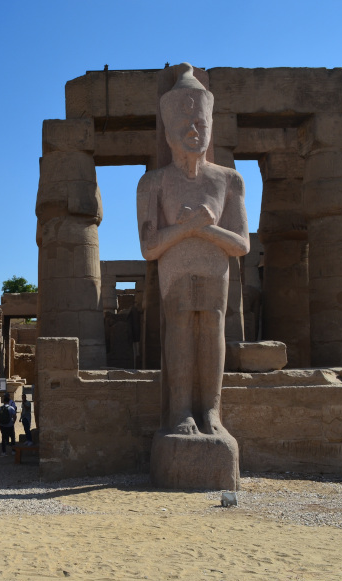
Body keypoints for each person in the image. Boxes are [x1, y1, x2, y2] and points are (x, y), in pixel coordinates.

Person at [136, 64, 249, 437]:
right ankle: (182, 412)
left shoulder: (228, 180)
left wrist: (206, 227)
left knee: (212, 329)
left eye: (200, 124)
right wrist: (186, 228)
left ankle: (211, 412)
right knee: (181, 330)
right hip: (176, 274)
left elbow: (242, 245)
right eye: (185, 127)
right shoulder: (154, 182)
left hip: (215, 270)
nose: (194, 131)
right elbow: (149, 247)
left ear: (210, 127)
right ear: (167, 134)